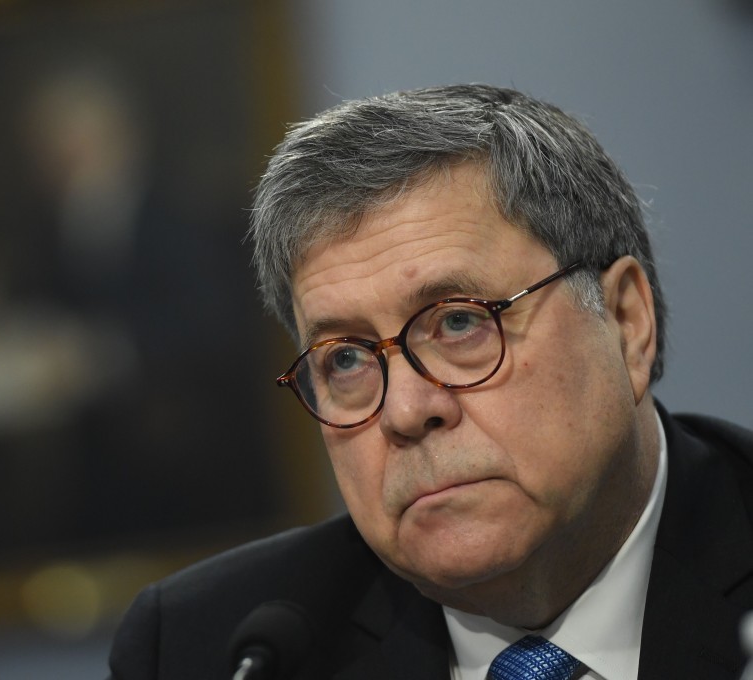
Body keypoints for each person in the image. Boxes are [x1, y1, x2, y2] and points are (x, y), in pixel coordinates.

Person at [106, 84, 753, 679]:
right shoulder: (211, 651)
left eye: (460, 322)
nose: (407, 411)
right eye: (347, 360)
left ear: (625, 321)